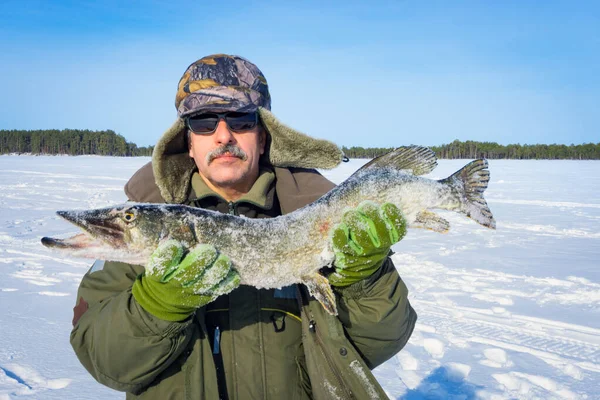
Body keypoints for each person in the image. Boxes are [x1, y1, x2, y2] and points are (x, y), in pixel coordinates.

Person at [70, 54, 417, 399]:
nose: (223, 135)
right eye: (203, 122)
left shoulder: (319, 214)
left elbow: (377, 343)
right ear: (188, 143)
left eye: (240, 120)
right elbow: (107, 364)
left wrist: (366, 279)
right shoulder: (146, 231)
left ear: (263, 137)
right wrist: (155, 306)